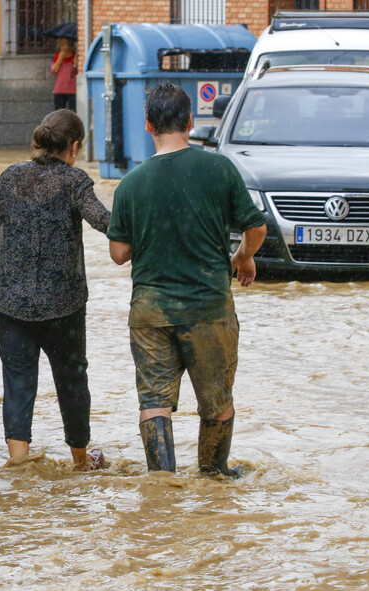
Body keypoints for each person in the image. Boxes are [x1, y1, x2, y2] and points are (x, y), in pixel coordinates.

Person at [106, 82, 267, 475]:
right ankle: (214, 476)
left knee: (154, 401)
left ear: (148, 125)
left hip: (150, 313)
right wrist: (242, 258)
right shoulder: (218, 168)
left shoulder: (131, 184)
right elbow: (256, 228)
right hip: (208, 307)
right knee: (217, 402)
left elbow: (118, 254)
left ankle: (163, 484)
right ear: (191, 121)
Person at [0, 109, 110, 470]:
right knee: (71, 380)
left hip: (9, 304)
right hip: (63, 307)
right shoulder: (74, 181)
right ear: (74, 146)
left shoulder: (10, 177)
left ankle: (18, 466)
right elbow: (106, 223)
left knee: (18, 382)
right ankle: (82, 461)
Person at [50, 38, 77, 111]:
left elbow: (77, 72)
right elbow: (53, 70)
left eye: (66, 44)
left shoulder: (75, 56)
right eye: (62, 45)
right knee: (59, 113)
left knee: (73, 112)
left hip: (73, 90)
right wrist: (59, 59)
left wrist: (76, 63)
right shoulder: (58, 55)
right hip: (60, 89)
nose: (64, 47)